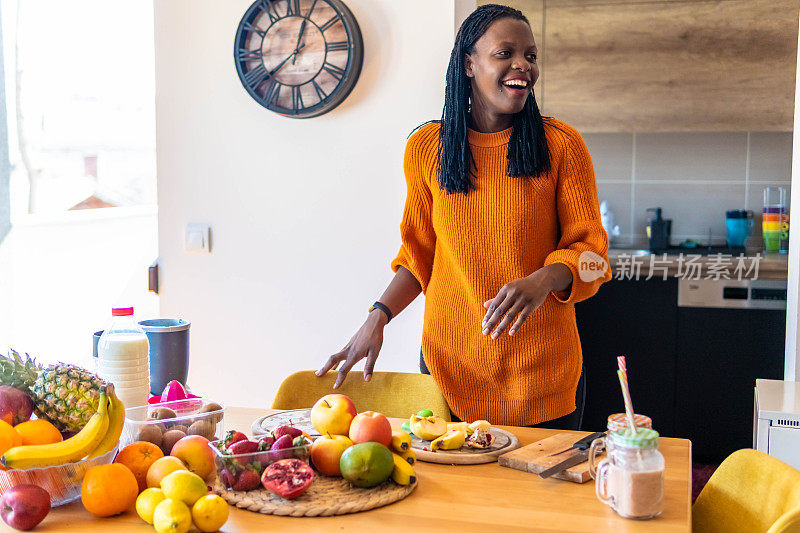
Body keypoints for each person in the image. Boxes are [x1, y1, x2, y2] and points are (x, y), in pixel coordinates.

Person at [316, 4, 610, 429]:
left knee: (539, 499)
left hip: (543, 377)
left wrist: (543, 280)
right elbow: (420, 254)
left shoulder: (562, 146)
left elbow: (594, 256)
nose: (522, 66)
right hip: (449, 373)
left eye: (530, 55)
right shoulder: (427, 149)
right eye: (505, 52)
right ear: (469, 64)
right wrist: (376, 317)